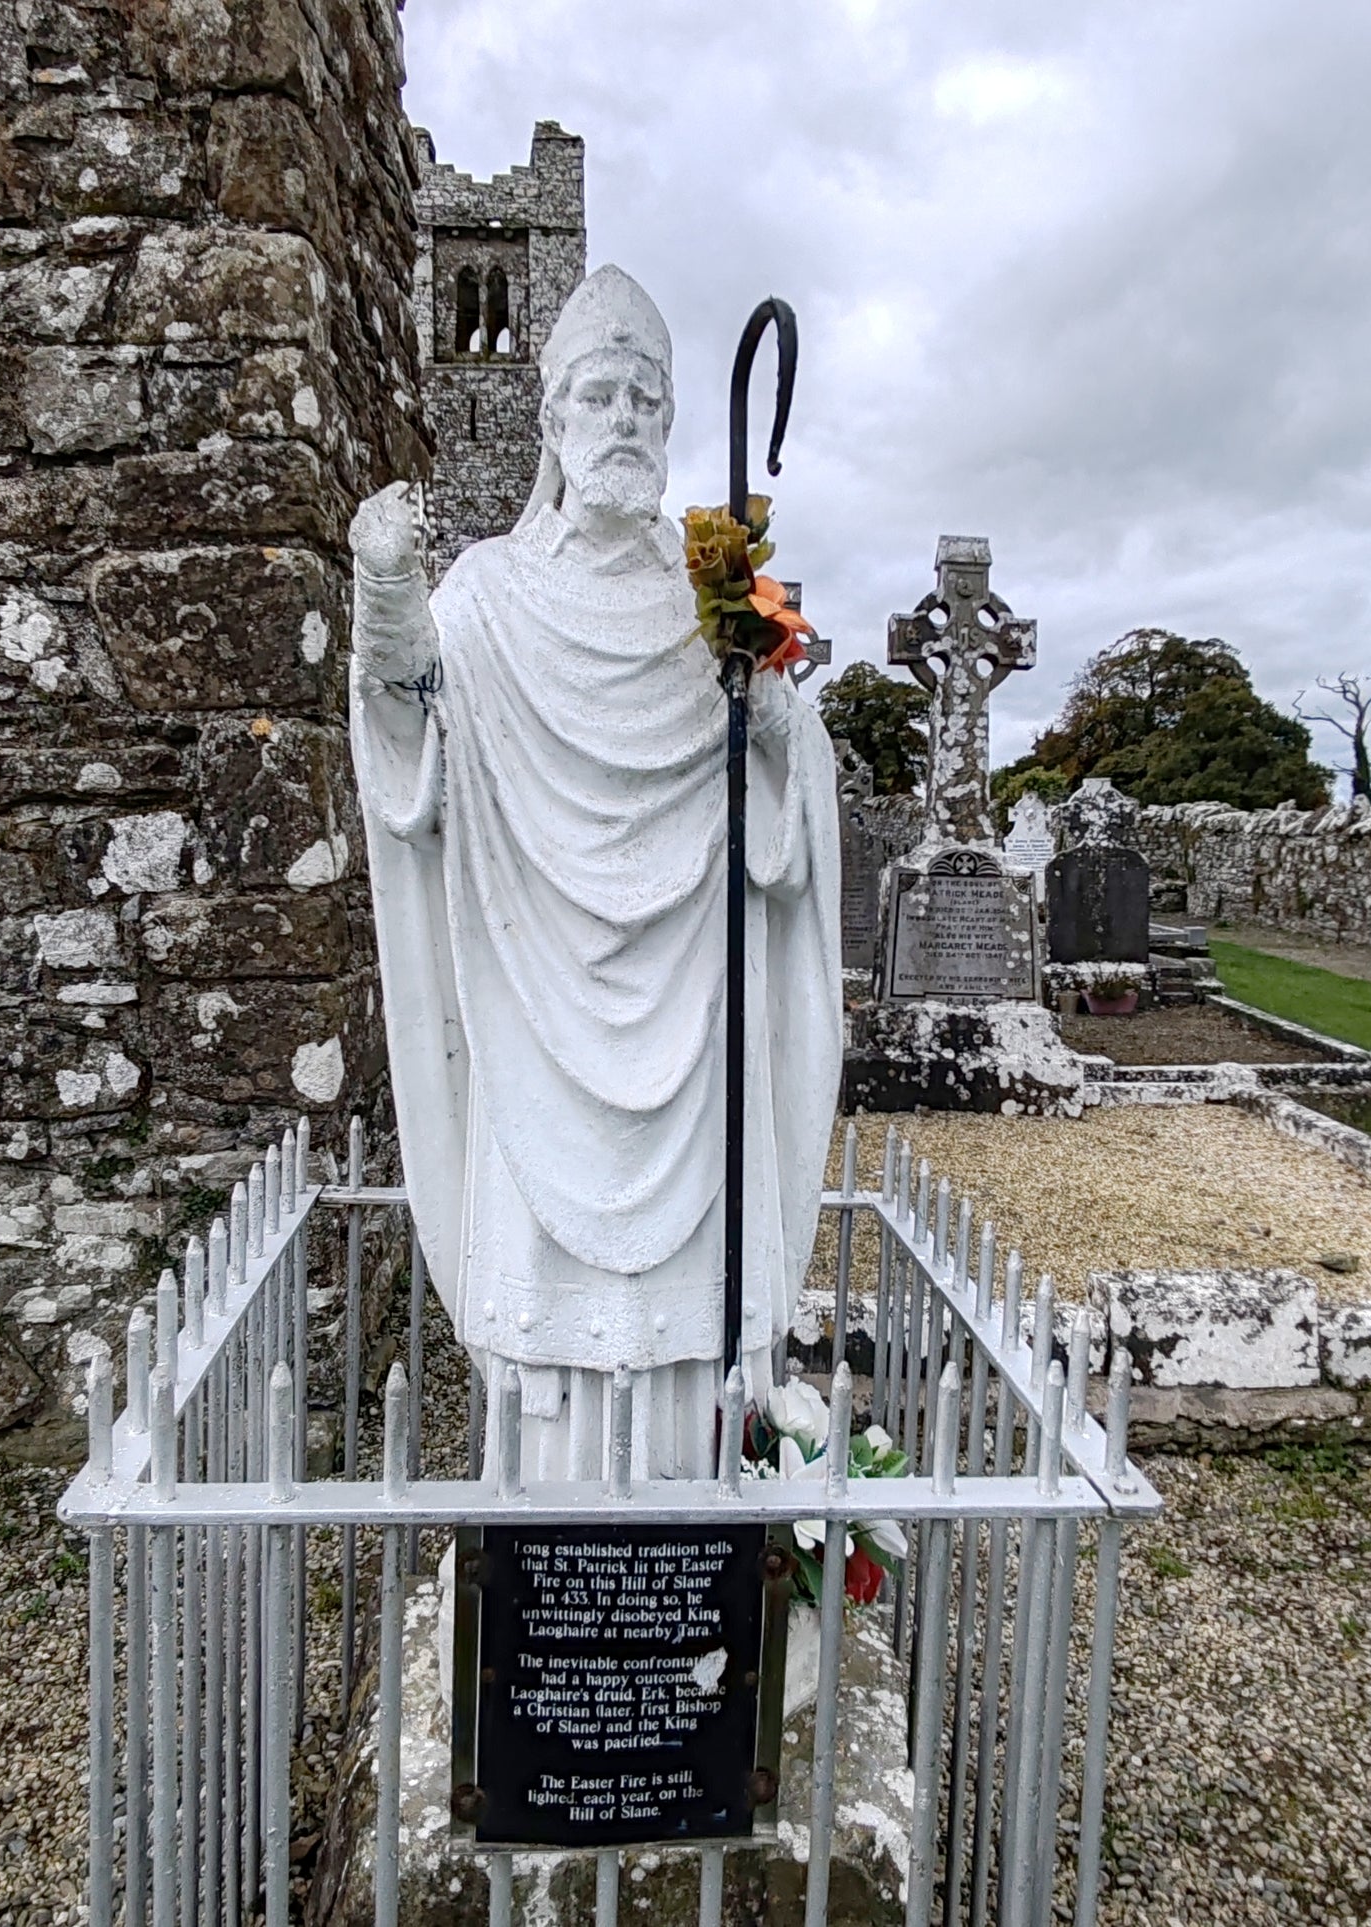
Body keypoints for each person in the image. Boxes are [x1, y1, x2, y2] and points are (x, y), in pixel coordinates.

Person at [347, 265, 841, 1481]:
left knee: (688, 1359)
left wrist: (772, 717)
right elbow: (418, 746)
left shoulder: (715, 605)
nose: (623, 418)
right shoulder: (490, 597)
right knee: (551, 1374)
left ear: (670, 427)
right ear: (552, 424)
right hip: (535, 1018)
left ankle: (688, 1508)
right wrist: (386, 601)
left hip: (694, 1028)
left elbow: (791, 792)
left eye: (646, 399)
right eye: (599, 394)